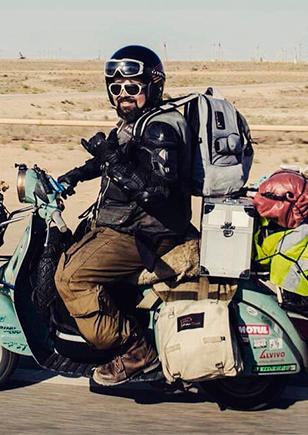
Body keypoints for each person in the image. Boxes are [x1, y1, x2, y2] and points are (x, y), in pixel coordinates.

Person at [55, 45, 192, 386]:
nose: (123, 95)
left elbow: (156, 192)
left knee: (70, 278)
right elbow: (114, 157)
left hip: (146, 233)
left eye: (132, 87)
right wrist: (73, 176)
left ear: (154, 86)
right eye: (116, 88)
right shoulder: (136, 123)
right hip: (128, 224)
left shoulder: (160, 130)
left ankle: (136, 350)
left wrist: (111, 159)